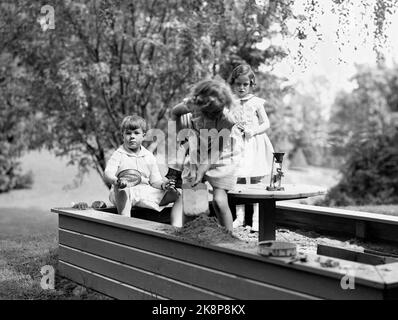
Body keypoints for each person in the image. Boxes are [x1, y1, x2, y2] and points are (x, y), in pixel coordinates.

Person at [169, 79, 244, 231]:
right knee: (190, 193)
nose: (213, 117)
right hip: (199, 147)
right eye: (209, 113)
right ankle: (181, 233)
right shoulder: (190, 104)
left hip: (223, 155)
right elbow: (174, 113)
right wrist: (181, 136)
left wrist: (202, 169)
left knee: (219, 200)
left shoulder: (227, 120)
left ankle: (228, 238)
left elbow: (217, 150)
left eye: (217, 112)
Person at [104, 115, 179, 224]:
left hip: (144, 192)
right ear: (122, 136)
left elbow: (155, 181)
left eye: (136, 133)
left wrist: (163, 185)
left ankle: (176, 225)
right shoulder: (119, 154)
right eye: (128, 133)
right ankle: (126, 222)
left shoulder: (148, 156)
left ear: (143, 136)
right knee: (123, 190)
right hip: (124, 192)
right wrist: (116, 181)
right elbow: (108, 173)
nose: (132, 136)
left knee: (176, 194)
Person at [228, 64, 275, 230]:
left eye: (245, 84)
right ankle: (240, 218)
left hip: (253, 144)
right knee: (238, 179)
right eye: (238, 84)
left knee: (255, 180)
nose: (241, 88)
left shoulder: (256, 102)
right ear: (233, 84)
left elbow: (266, 123)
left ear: (251, 84)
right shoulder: (230, 103)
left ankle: (256, 219)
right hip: (237, 145)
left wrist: (254, 131)